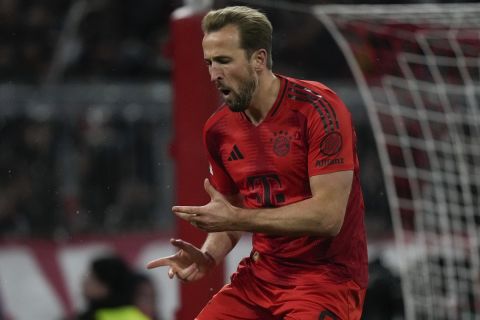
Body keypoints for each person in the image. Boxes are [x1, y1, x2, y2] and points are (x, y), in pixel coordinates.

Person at [147, 5, 368, 320]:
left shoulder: (318, 110)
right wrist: (209, 255)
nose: (213, 75)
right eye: (209, 63)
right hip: (259, 278)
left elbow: (328, 218)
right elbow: (229, 213)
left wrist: (235, 218)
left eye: (224, 61)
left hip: (325, 279)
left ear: (258, 60)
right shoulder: (218, 129)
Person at [70, 254, 150, 320]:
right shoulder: (139, 316)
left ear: (106, 287)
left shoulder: (91, 317)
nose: (84, 283)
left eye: (92, 278)